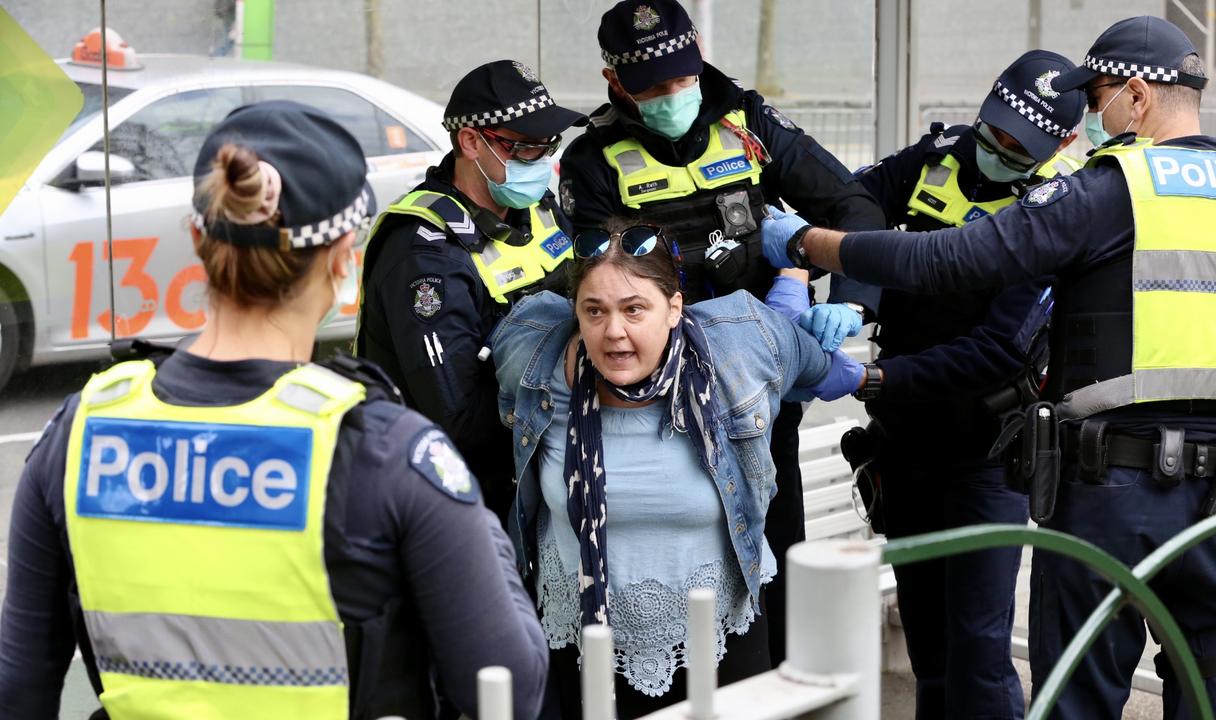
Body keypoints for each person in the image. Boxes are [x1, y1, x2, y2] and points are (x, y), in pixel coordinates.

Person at [761, 16, 1216, 719]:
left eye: (1096, 102)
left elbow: (951, 260)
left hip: (1112, 488)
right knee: (1214, 680)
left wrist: (811, 244)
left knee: (1079, 686)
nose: (1096, 119)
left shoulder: (1111, 189)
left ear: (1136, 94)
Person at [0, 101, 548, 720]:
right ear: (345, 256)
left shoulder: (80, 430)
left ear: (197, 242)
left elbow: (19, 691)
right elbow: (511, 685)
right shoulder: (386, 451)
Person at [556, 0, 887, 662]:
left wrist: (850, 302)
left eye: (683, 77)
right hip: (660, 399)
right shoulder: (591, 161)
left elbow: (851, 204)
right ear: (613, 82)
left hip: (763, 386)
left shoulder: (749, 122)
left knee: (777, 537)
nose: (673, 95)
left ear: (698, 50)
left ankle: (782, 683)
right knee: (688, 552)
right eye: (652, 87)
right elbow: (604, 289)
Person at [490, 219, 865, 718]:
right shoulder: (534, 356)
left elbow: (817, 365)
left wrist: (806, 301)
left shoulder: (745, 342)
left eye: (634, 309)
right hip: (581, 642)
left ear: (674, 308)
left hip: (721, 642)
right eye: (594, 311)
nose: (614, 331)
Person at [832, 50, 1084, 720]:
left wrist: (875, 376)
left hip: (986, 453)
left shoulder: (1055, 211)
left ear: (1059, 145)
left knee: (978, 646)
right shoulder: (932, 158)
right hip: (904, 444)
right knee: (929, 646)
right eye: (994, 130)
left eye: (1017, 145)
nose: (997, 149)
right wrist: (857, 303)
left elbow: (997, 349)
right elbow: (854, 206)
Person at [356, 60, 586, 519]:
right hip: (446, 496)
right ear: (470, 142)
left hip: (536, 469)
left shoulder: (537, 208)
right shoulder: (425, 255)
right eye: (523, 148)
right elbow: (458, 420)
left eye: (548, 146)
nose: (539, 161)